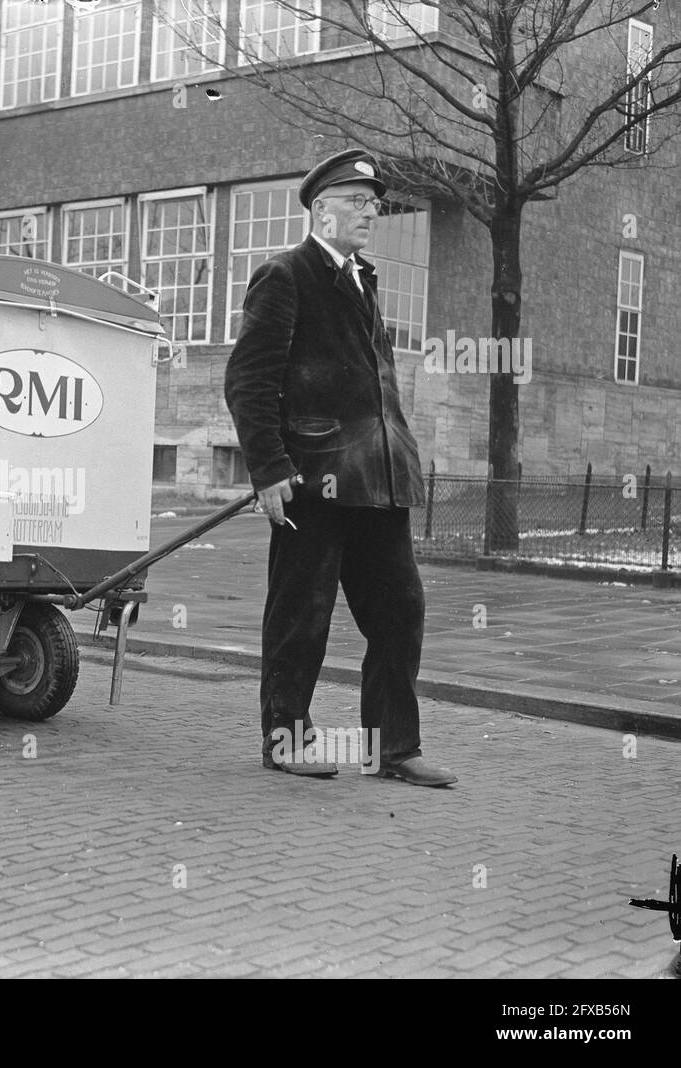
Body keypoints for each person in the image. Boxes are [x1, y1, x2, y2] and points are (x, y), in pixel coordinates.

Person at [223, 148, 457, 787]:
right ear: (320, 209)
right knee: (303, 614)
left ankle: (393, 749)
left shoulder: (362, 279)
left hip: (378, 482)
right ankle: (286, 740)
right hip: (312, 482)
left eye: (373, 203)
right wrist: (268, 469)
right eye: (357, 201)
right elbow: (249, 379)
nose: (369, 211)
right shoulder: (286, 275)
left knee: (399, 613)